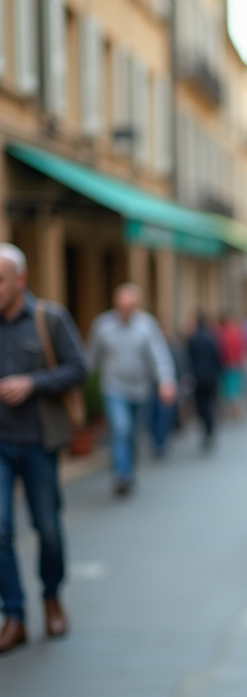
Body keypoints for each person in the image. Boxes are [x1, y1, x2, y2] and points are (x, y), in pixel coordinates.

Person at [0, 244, 87, 652]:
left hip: (39, 441)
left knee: (47, 528)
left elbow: (78, 368)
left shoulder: (48, 318)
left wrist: (31, 383)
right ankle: (13, 615)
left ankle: (52, 599)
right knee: (0, 531)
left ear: (20, 279)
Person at [88, 284, 176, 495]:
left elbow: (160, 356)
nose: (125, 309)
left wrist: (166, 381)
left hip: (140, 390)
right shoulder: (102, 325)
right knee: (121, 428)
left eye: (130, 305)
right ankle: (122, 475)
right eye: (122, 305)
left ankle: (128, 468)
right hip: (113, 387)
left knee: (134, 434)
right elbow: (91, 357)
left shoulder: (147, 325)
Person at [186, 312, 222, 452]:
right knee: (209, 405)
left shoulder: (193, 339)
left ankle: (206, 431)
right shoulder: (210, 339)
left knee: (202, 407)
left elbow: (189, 360)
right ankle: (209, 430)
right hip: (210, 378)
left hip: (198, 379)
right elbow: (217, 359)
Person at [216, 314, 247, 420]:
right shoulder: (236, 333)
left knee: (231, 389)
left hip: (228, 364)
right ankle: (236, 410)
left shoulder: (224, 335)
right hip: (235, 363)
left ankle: (235, 411)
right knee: (235, 388)